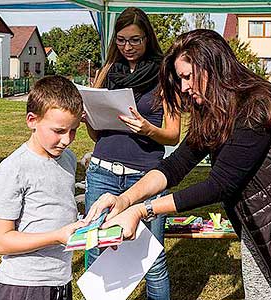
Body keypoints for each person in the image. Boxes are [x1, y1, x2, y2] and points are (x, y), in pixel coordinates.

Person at [86, 29, 271, 299]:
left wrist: (143, 210)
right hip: (261, 226)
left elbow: (219, 185)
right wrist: (124, 200)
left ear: (213, 66)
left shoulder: (258, 104)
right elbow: (175, 165)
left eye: (187, 76)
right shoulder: (217, 109)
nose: (184, 87)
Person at [84, 7, 181, 300]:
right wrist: (91, 118)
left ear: (148, 39)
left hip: (146, 175)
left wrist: (146, 129)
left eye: (135, 40)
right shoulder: (106, 72)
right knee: (96, 250)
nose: (128, 47)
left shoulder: (165, 75)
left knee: (152, 259)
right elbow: (95, 134)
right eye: (122, 40)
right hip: (102, 172)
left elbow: (174, 134)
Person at [0, 75, 86, 300]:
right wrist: (57, 236)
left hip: (61, 281)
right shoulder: (14, 169)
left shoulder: (68, 159)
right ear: (32, 120)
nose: (67, 140)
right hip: (23, 286)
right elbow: (1, 241)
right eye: (59, 131)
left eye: (73, 130)